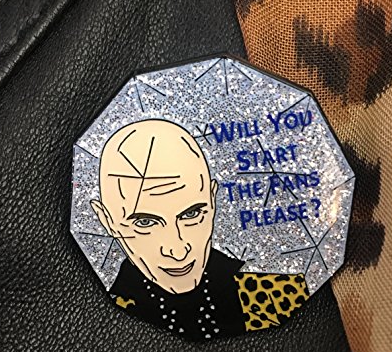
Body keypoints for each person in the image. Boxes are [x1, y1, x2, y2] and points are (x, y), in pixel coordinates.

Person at [91, 119, 309, 339]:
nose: (178, 250)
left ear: (212, 201)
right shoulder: (103, 325)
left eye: (191, 214)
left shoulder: (278, 296)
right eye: (145, 223)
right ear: (107, 221)